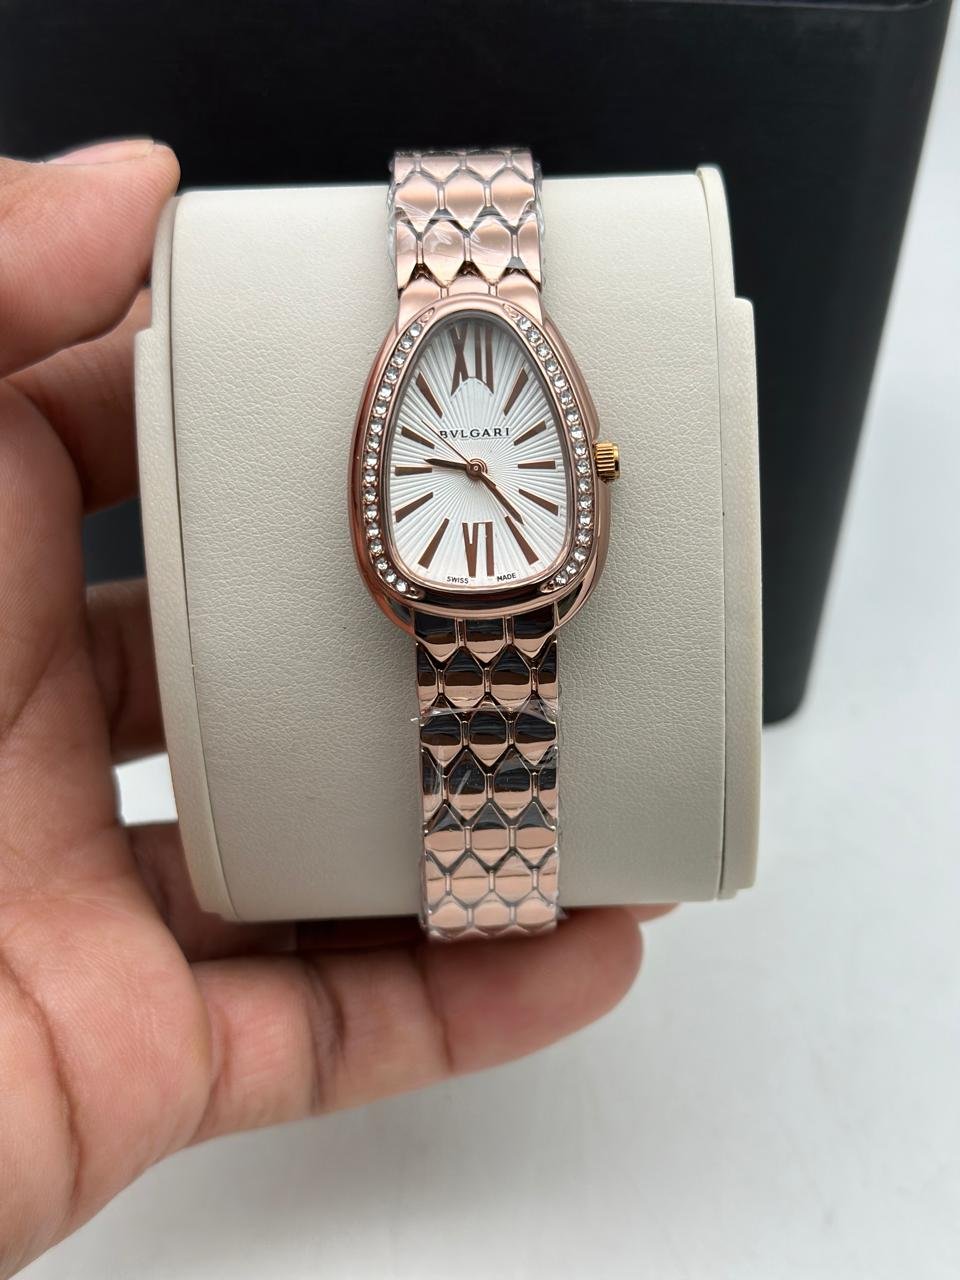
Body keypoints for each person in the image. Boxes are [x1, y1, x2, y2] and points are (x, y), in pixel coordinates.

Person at [0, 139, 670, 1277]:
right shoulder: (484, 449)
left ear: (589, 464)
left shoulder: (507, 434)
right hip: (458, 588)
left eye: (515, 464)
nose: (484, 468)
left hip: (514, 586)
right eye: (463, 466)